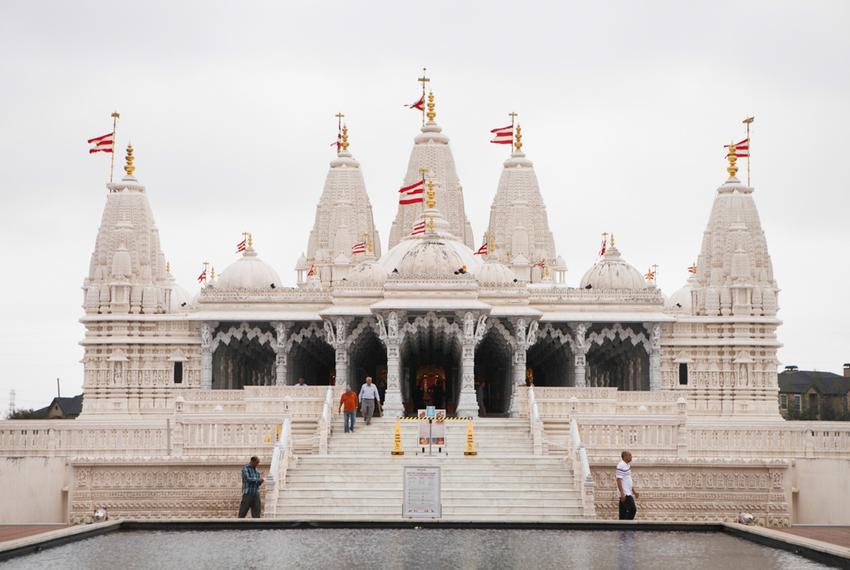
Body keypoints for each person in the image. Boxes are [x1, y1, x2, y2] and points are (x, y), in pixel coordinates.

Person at [616, 450, 639, 520]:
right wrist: (622, 493)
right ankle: (626, 526)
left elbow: (628, 480)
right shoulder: (621, 465)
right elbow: (618, 480)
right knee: (633, 510)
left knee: (622, 513)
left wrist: (634, 492)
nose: (631, 457)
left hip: (627, 492)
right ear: (625, 456)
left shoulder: (627, 465)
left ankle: (622, 528)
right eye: (630, 455)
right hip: (625, 494)